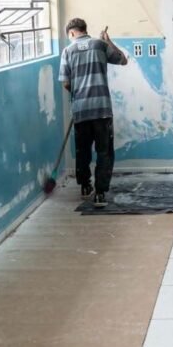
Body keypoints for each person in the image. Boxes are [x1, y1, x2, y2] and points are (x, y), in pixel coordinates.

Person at [58, 17, 128, 207]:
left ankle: (85, 186)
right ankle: (100, 194)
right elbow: (123, 60)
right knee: (104, 152)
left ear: (72, 33)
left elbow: (65, 82)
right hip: (102, 109)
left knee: (83, 151)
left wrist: (78, 93)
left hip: (81, 111)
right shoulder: (100, 45)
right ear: (84, 29)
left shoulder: (67, 51)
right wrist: (108, 40)